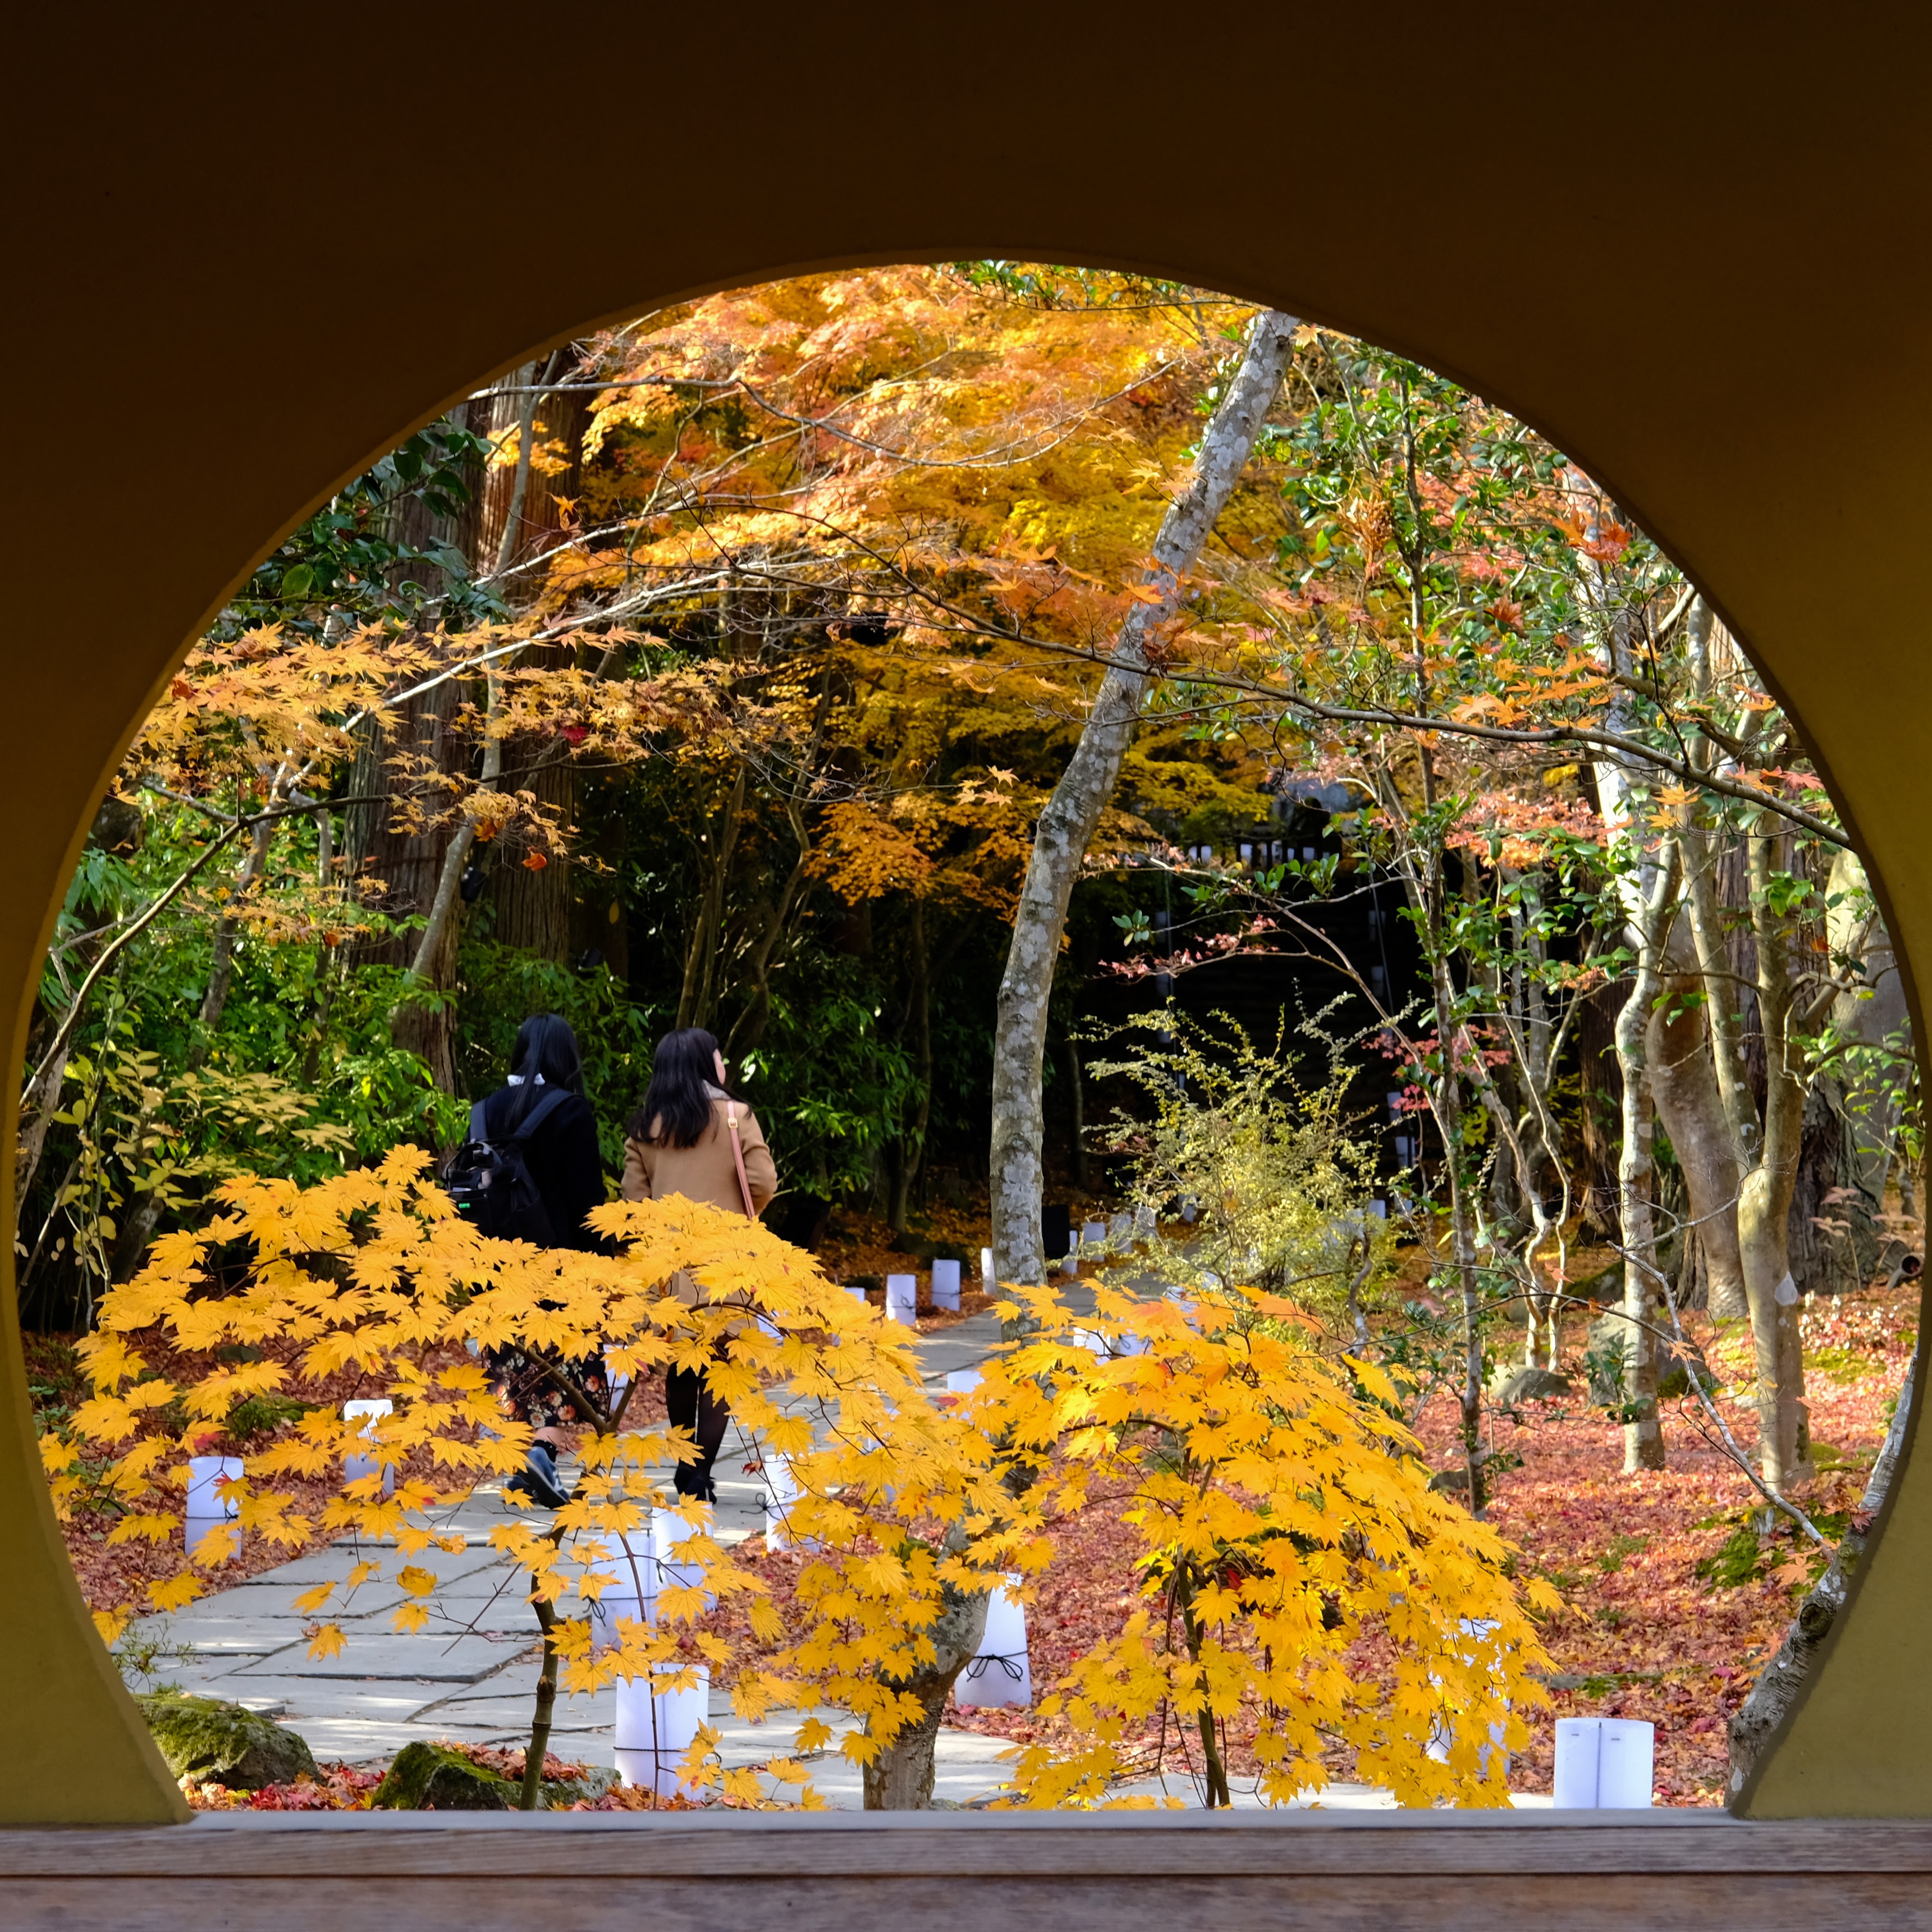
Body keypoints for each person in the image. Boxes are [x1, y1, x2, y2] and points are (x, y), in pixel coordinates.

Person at [622, 1027, 777, 1503]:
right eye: (720, 1056)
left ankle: (685, 1465)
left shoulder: (646, 1127)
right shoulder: (735, 1117)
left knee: (681, 1368)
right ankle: (702, 1473)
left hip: (670, 1270)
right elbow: (763, 1180)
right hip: (727, 1263)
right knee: (721, 1367)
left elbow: (633, 1202)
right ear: (709, 1064)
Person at [475, 1013, 611, 1509]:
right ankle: (542, 1452)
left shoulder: (485, 1110)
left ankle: (523, 1458)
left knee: (516, 1358)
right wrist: (604, 1271)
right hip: (562, 1264)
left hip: (497, 1263)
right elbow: (590, 1205)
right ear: (566, 1058)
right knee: (568, 1361)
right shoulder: (572, 1112)